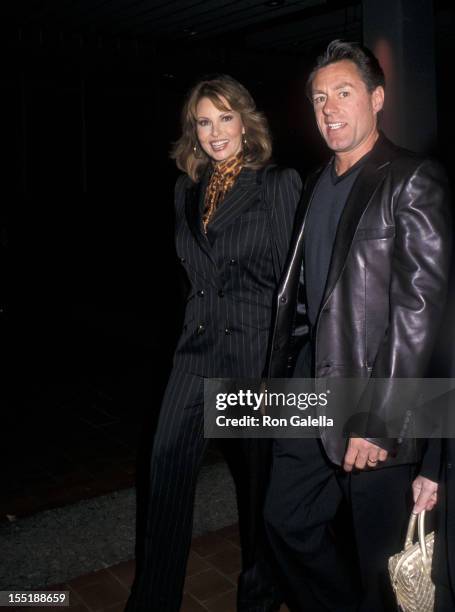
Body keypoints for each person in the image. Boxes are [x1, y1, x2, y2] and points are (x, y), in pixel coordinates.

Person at [262, 40, 451, 612]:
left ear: (376, 98)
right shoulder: (316, 184)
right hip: (310, 390)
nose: (329, 109)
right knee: (284, 523)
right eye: (319, 98)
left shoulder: (410, 178)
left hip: (375, 400)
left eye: (343, 93)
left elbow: (420, 311)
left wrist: (379, 419)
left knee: (380, 561)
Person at [125, 74, 302, 612]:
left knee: (257, 499)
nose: (215, 130)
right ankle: (153, 601)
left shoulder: (276, 184)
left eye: (226, 117)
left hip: (252, 360)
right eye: (204, 120)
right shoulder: (185, 190)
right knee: (164, 476)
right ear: (192, 130)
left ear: (247, 122)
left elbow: (295, 287)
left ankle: (259, 599)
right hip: (194, 355)